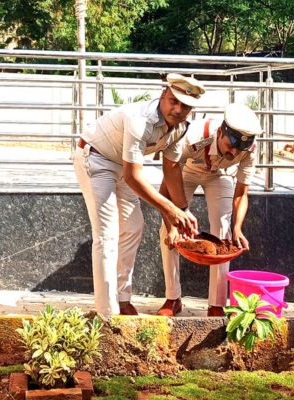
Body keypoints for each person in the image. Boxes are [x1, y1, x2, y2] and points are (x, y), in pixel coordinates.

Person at [73, 73, 205, 317]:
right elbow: (134, 177)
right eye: (173, 101)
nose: (177, 109)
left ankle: (123, 300)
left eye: (185, 106)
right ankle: (107, 314)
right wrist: (170, 210)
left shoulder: (181, 127)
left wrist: (183, 210)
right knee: (107, 235)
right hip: (96, 158)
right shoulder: (140, 120)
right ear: (163, 95)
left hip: (122, 166)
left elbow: (172, 169)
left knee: (133, 227)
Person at [157, 103, 262, 317]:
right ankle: (172, 297)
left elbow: (241, 193)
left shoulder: (248, 150)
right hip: (187, 170)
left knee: (223, 233)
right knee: (167, 231)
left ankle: (217, 303)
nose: (233, 152)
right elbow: (165, 189)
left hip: (221, 175)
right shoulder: (193, 135)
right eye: (229, 146)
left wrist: (238, 228)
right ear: (220, 131)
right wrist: (172, 225)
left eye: (238, 150)